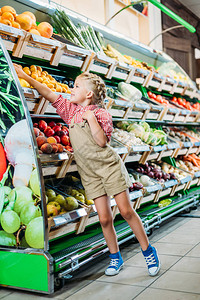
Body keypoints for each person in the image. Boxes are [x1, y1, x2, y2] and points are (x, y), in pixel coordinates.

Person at [13, 64, 160, 277]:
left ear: (89, 94)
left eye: (77, 86)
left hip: (109, 167)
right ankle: (115, 257)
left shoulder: (101, 114)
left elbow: (101, 141)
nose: (72, 89)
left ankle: (148, 251)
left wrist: (90, 119)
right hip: (89, 173)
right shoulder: (70, 111)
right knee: (104, 219)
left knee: (127, 211)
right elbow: (49, 93)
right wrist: (24, 75)